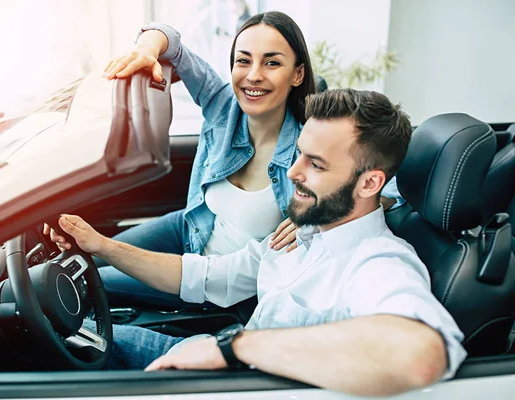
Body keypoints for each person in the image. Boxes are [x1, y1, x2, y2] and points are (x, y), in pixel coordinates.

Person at [49, 89, 466, 397]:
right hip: (207, 357)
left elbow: (420, 352)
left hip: (234, 378)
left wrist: (234, 349)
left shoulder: (379, 262)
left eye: (316, 164)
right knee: (58, 335)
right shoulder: (302, 232)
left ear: (370, 182)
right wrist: (101, 245)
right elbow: (202, 275)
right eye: (300, 153)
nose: (292, 172)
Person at [92, 12, 403, 308]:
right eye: (243, 61)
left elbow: (392, 187)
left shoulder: (311, 145)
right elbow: (171, 43)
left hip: (215, 279)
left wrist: (317, 220)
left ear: (298, 74)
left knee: (83, 282)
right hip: (189, 228)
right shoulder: (223, 105)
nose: (254, 75)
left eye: (271, 63)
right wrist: (146, 50)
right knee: (82, 258)